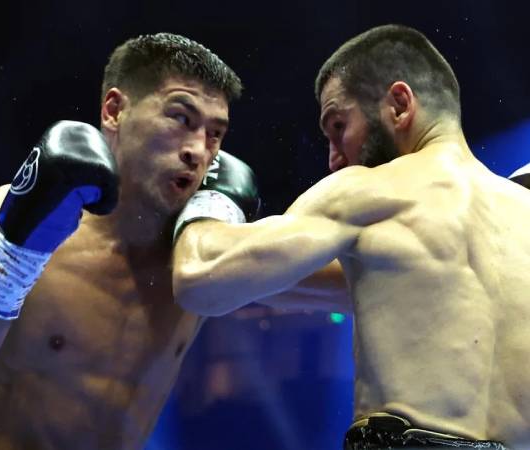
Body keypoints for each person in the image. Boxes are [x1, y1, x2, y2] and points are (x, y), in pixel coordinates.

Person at [172, 24, 530, 449]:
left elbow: (199, 280)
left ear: (399, 104)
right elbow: (290, 284)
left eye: (338, 126)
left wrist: (211, 201)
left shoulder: (369, 192)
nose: (333, 159)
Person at [0, 33, 247, 450]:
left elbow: (339, 270)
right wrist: (17, 247)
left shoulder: (201, 251)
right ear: (115, 110)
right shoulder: (12, 210)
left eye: (215, 134)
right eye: (181, 118)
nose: (198, 150)